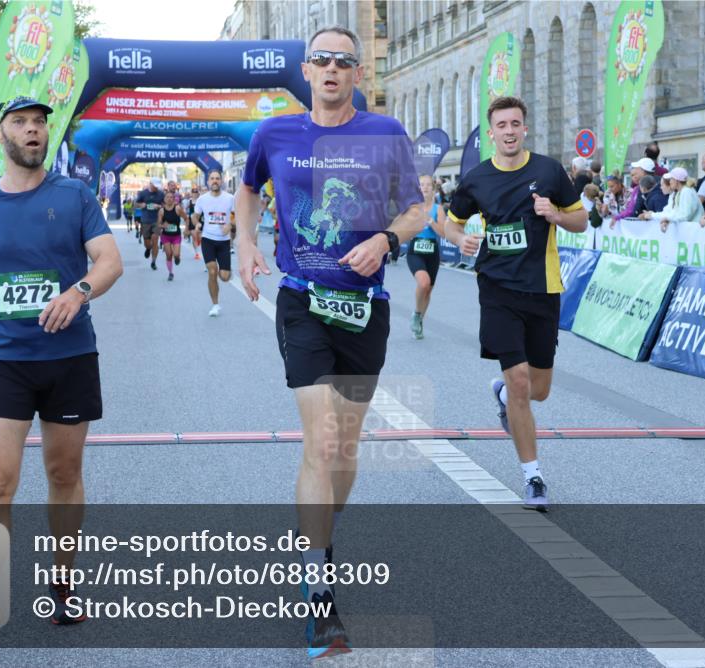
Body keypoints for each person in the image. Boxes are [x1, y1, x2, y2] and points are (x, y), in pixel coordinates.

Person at [235, 25, 424, 658]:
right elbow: (247, 188)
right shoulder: (275, 134)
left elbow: (416, 209)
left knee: (344, 447)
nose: (334, 69)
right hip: (303, 300)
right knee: (319, 439)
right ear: (307, 71)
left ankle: (324, 536)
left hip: (365, 305)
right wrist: (245, 242)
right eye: (322, 60)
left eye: (346, 60)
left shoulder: (386, 134)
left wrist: (387, 241)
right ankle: (320, 591)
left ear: (359, 74)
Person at [0, 96, 123, 660]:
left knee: (63, 474)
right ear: (1, 134)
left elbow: (108, 260)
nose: (33, 130)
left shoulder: (74, 195)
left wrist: (79, 291)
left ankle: (63, 583)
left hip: (69, 358)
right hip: (4, 361)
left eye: (40, 123)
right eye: (21, 123)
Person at [444, 95, 587, 513]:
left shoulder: (549, 172)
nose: (509, 131)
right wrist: (460, 240)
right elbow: (450, 223)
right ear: (491, 134)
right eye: (501, 125)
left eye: (515, 124)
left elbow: (581, 220)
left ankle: (505, 399)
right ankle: (534, 477)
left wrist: (555, 215)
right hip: (497, 290)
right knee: (521, 381)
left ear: (525, 129)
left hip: (542, 291)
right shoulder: (476, 178)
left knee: (538, 390)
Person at [407, 174, 446, 339]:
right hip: (415, 250)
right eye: (421, 185)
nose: (424, 187)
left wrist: (430, 221)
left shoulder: (439, 209)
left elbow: (443, 233)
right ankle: (416, 314)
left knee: (428, 291)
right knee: (423, 283)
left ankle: (420, 321)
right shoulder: (412, 207)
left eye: (428, 185)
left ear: (433, 188)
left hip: (432, 252)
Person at [192, 170, 235, 316]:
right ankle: (215, 305)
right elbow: (195, 215)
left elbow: (236, 216)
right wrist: (197, 223)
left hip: (224, 241)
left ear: (221, 181)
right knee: (212, 271)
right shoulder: (202, 199)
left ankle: (227, 272)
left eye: (217, 178)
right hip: (208, 239)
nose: (215, 181)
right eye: (212, 179)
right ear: (208, 182)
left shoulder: (230, 198)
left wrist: (230, 225)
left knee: (224, 277)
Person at [612, 157, 655, 225]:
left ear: (643, 171)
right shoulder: (636, 189)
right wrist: (617, 217)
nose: (633, 176)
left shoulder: (658, 186)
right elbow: (630, 210)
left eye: (637, 168)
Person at [136, 178, 164, 269]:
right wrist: (141, 205)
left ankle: (153, 261)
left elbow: (166, 205)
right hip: (145, 220)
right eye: (155, 186)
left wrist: (159, 206)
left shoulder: (161, 194)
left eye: (157, 186)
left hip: (157, 220)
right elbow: (135, 204)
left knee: (155, 239)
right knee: (147, 243)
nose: (156, 188)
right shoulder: (143, 193)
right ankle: (148, 248)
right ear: (150, 184)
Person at [159, 190, 184, 281]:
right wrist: (162, 226)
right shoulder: (161, 211)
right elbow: (158, 225)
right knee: (169, 255)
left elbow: (186, 218)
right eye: (167, 197)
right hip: (166, 236)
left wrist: (187, 230)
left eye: (171, 197)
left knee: (176, 254)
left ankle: (177, 258)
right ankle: (170, 273)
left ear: (174, 199)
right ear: (164, 200)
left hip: (176, 235)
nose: (169, 199)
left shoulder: (177, 209)